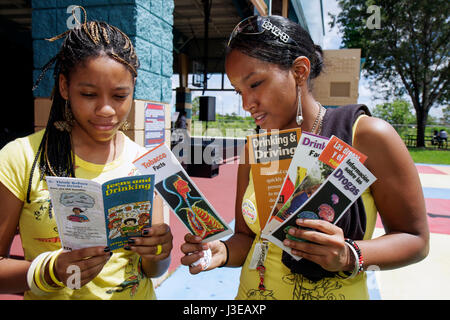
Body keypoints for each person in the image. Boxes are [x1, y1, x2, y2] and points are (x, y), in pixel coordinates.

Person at [180, 15, 429, 300]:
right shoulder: (256, 147)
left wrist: (349, 254)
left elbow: (416, 240)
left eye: (256, 84)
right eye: (239, 91)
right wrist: (221, 252)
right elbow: (247, 239)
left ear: (299, 71)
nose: (246, 104)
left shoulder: (366, 134)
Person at [0, 8, 173, 299]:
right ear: (65, 87)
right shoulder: (20, 158)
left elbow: (153, 271)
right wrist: (48, 272)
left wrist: (159, 252)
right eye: (89, 94)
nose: (106, 110)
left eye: (120, 96)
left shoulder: (147, 161)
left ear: (132, 91)